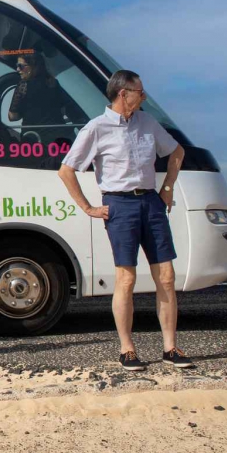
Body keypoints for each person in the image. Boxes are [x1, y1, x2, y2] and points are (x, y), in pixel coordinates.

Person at [57, 69, 192, 371]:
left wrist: (167, 188)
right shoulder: (96, 128)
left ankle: (170, 348)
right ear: (123, 94)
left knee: (166, 277)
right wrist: (89, 208)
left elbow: (177, 151)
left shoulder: (147, 122)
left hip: (151, 202)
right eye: (140, 92)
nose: (144, 96)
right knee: (126, 278)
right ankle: (127, 349)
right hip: (119, 203)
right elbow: (66, 170)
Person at [7, 53, 85, 136]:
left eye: (21, 66)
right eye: (17, 65)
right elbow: (68, 107)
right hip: (60, 138)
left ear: (34, 67)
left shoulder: (23, 86)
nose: (18, 69)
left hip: (35, 140)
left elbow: (12, 117)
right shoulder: (53, 83)